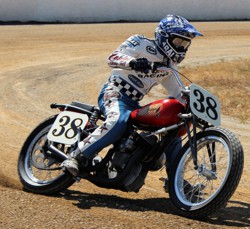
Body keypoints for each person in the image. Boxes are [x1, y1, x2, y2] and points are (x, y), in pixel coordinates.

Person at [61, 14, 203, 177]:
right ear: (164, 36)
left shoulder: (170, 66)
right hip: (115, 93)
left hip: (134, 103)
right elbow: (112, 58)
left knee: (172, 127)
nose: (181, 47)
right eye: (178, 42)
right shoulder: (140, 42)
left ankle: (175, 179)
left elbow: (177, 92)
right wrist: (132, 63)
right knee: (118, 121)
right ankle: (76, 156)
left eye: (185, 43)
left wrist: (192, 100)